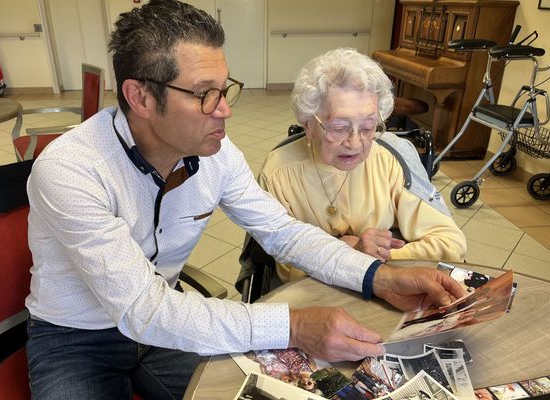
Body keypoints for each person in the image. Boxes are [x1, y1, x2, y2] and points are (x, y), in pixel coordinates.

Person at [24, 2, 465, 399]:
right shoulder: (72, 169)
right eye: (204, 94)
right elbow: (144, 311)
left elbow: (282, 233)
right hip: (76, 338)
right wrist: (294, 325)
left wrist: (380, 277)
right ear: (140, 96)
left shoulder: (215, 153)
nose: (225, 110)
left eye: (225, 88)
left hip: (169, 323)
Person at [258, 48, 467, 283]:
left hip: (392, 288)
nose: (355, 143)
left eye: (369, 128)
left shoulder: (391, 159)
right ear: (307, 124)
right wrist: (352, 252)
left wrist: (366, 256)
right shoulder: (279, 173)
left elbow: (451, 243)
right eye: (338, 128)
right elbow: (289, 272)